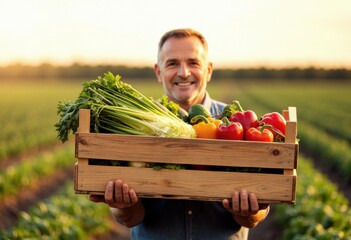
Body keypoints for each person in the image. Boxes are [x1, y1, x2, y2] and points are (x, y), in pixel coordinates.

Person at [89, 28, 270, 240]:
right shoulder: (136, 127)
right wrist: (125, 206)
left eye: (193, 63)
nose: (184, 72)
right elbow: (131, 219)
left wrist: (247, 212)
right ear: (158, 71)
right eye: (172, 63)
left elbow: (254, 218)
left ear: (209, 70)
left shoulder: (238, 124)